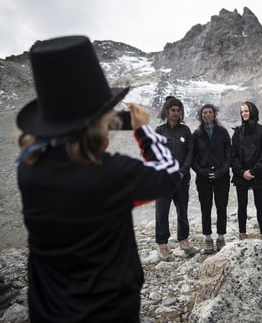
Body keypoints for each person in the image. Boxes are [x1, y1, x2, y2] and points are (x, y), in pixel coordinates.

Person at [16, 36, 180, 322]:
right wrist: (143, 130)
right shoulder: (110, 175)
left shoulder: (29, 169)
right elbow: (168, 174)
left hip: (48, 311)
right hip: (108, 311)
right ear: (97, 121)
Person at [155, 96, 197, 260]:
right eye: (173, 110)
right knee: (162, 211)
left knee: (182, 209)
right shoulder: (159, 131)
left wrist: (182, 171)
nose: (176, 113)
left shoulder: (185, 130)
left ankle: (183, 239)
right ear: (166, 111)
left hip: (181, 178)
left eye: (178, 110)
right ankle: (162, 244)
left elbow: (190, 151)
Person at [192, 104, 231, 253]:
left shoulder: (223, 132)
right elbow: (192, 158)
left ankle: (221, 237)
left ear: (214, 114)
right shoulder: (196, 134)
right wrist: (202, 171)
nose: (207, 115)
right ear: (201, 116)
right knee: (205, 207)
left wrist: (221, 172)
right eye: (205, 113)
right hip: (203, 178)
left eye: (210, 112)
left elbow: (229, 155)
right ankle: (207, 238)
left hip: (222, 177)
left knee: (221, 207)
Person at [231, 101, 262, 240]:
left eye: (246, 111)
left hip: (258, 174)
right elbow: (233, 155)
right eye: (242, 112)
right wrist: (242, 172)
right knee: (242, 205)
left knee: (260, 204)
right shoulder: (237, 132)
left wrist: (253, 171)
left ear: (252, 111)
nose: (244, 114)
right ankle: (242, 233)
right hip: (241, 175)